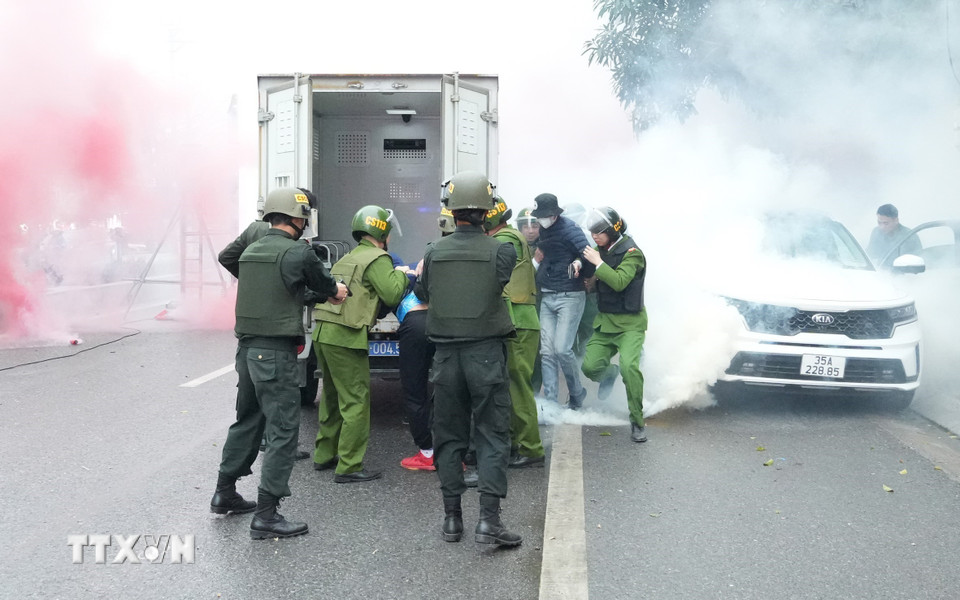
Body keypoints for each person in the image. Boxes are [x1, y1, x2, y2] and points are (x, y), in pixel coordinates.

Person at [210, 187, 347, 540]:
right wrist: (338, 292)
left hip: (246, 351)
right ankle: (267, 514)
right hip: (274, 354)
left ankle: (224, 491)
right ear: (298, 218)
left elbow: (285, 288)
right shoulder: (298, 253)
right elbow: (326, 287)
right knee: (284, 430)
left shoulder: (251, 251)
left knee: (247, 420)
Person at [415, 170, 522, 547]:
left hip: (445, 357)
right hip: (486, 355)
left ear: (451, 209)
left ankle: (451, 520)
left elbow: (422, 288)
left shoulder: (433, 250)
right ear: (487, 210)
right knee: (492, 435)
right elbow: (500, 281)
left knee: (448, 437)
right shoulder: (502, 250)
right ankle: (489, 522)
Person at [312, 205, 411, 483]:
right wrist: (406, 273)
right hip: (346, 336)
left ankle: (324, 454)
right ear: (383, 231)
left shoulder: (349, 256)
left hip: (324, 333)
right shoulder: (379, 257)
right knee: (355, 400)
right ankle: (350, 466)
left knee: (331, 397)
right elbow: (392, 293)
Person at [483, 198, 545, 468]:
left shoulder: (506, 238)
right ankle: (514, 443)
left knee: (518, 387)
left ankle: (531, 449)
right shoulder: (510, 237)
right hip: (516, 320)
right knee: (509, 387)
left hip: (518, 320)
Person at [579, 207, 648, 443]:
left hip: (630, 324)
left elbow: (619, 282)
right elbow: (594, 269)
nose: (594, 236)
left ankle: (637, 421)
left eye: (599, 232)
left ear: (612, 230)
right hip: (606, 321)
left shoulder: (632, 253)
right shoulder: (602, 250)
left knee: (630, 367)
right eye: (592, 232)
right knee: (590, 368)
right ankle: (610, 373)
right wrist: (584, 270)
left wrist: (597, 264)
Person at [396, 207, 456, 471]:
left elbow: (420, 290)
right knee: (450, 388)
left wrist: (412, 274)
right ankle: (453, 453)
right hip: (448, 324)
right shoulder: (482, 249)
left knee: (415, 390)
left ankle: (427, 453)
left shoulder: (432, 252)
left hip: (416, 322)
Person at [531, 193, 595, 410]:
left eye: (545, 216)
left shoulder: (571, 229)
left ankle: (577, 393)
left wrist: (583, 272)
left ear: (555, 214)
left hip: (570, 295)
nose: (542, 219)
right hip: (548, 294)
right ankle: (550, 404)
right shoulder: (545, 230)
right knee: (547, 351)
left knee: (561, 349)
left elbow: (587, 255)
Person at [516, 207, 544, 395]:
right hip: (523, 308)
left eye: (534, 225)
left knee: (541, 353)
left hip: (545, 306)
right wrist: (535, 261)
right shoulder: (513, 247)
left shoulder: (548, 245)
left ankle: (534, 394)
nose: (531, 230)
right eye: (525, 226)